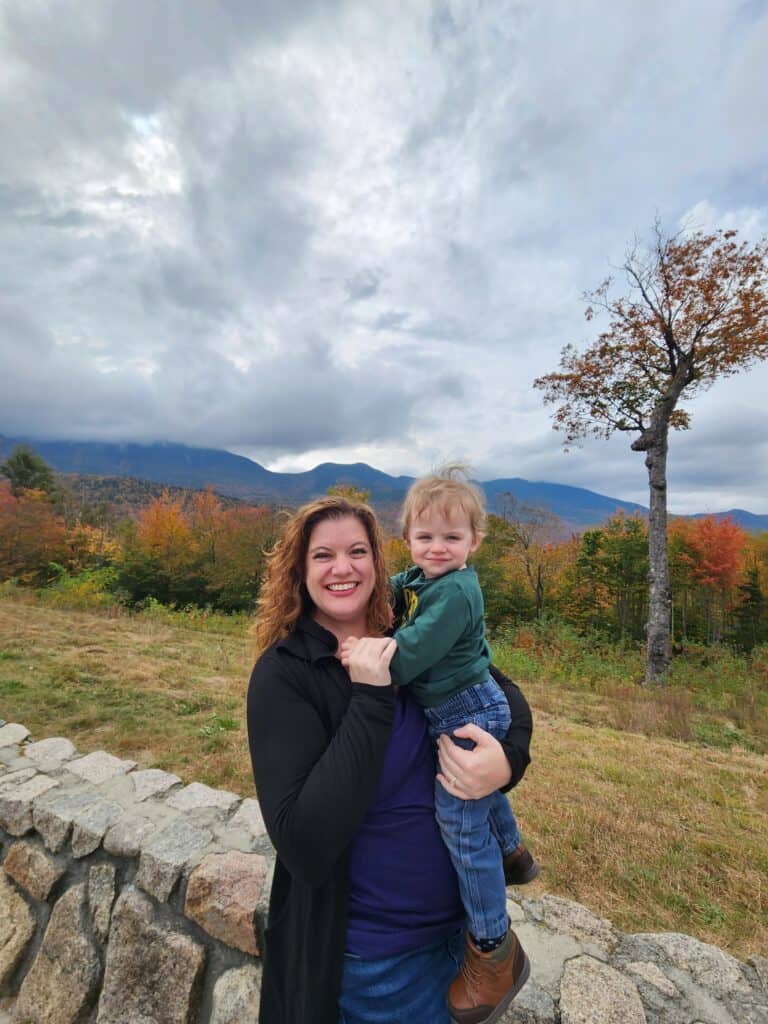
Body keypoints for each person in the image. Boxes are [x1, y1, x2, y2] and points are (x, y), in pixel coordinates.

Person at [247, 496, 533, 1024]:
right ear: (299, 570)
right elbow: (304, 843)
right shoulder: (287, 673)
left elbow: (496, 687)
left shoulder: (402, 628)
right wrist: (372, 694)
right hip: (379, 963)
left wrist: (508, 762)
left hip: (459, 942)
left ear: (378, 562)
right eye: (322, 556)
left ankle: (495, 944)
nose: (342, 568)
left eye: (358, 551)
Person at [340, 471, 537, 1022]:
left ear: (474, 542)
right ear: (408, 540)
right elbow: (404, 584)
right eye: (425, 537)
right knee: (476, 798)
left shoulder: (456, 590)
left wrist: (369, 653)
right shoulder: (425, 579)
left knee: (459, 820)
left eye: (451, 538)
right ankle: (512, 851)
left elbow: (409, 654)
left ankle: (493, 949)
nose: (437, 548)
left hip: (468, 712)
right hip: (462, 708)